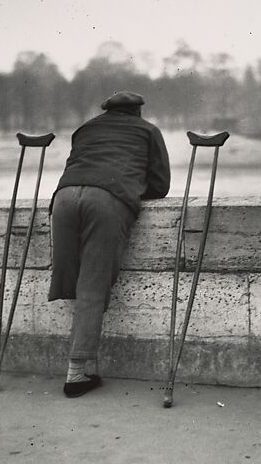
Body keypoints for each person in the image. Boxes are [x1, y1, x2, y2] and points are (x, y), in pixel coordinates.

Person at [48, 91, 171, 398]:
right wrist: (129, 187)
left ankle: (89, 364)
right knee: (92, 284)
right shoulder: (148, 131)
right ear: (137, 111)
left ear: (106, 110)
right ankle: (76, 373)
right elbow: (160, 185)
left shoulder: (85, 128)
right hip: (106, 201)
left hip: (63, 198)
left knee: (73, 279)